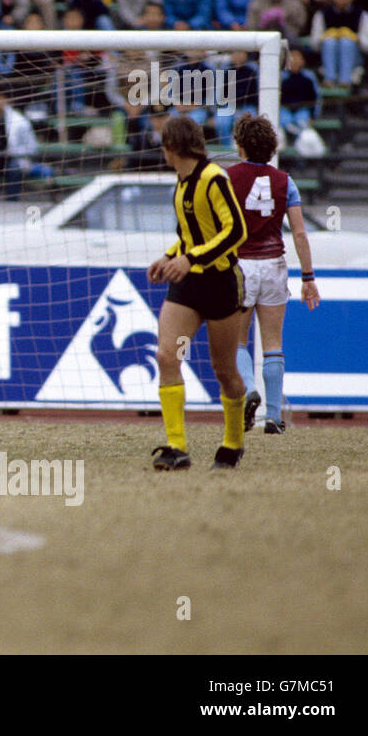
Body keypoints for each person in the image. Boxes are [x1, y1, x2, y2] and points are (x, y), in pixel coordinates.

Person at [147, 115, 249, 471]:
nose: (162, 151)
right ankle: (177, 448)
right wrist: (170, 256)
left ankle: (233, 442)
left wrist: (190, 258)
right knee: (167, 355)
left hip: (220, 284)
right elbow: (192, 234)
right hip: (188, 286)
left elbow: (235, 231)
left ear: (172, 147)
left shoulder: (213, 178)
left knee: (223, 370)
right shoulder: (181, 182)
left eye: (163, 145)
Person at [227, 114, 320, 436]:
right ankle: (273, 416)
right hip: (273, 264)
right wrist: (308, 277)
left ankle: (250, 388)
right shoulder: (285, 181)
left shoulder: (226, 179)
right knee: (273, 344)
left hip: (239, 265)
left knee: (236, 342)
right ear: (271, 146)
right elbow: (299, 234)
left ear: (239, 145)